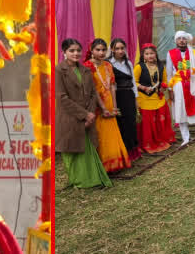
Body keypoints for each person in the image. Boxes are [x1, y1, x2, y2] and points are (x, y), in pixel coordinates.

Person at [57, 38, 111, 188]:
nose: (76, 53)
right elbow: (61, 97)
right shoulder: (58, 70)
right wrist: (84, 114)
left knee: (87, 149)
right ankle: (79, 181)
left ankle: (93, 180)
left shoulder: (85, 70)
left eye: (78, 50)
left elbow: (93, 93)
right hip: (70, 117)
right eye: (71, 50)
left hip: (88, 116)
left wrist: (90, 113)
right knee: (73, 149)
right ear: (64, 52)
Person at [85, 38, 132, 172]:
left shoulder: (107, 65)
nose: (101, 52)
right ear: (91, 51)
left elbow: (112, 86)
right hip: (96, 103)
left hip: (110, 101)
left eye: (103, 50)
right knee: (101, 133)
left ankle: (116, 163)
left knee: (113, 131)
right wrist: (103, 107)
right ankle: (104, 166)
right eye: (98, 50)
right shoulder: (87, 66)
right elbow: (91, 89)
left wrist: (115, 106)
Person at [165, 31, 195, 144]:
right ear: (176, 41)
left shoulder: (194, 53)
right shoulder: (170, 54)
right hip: (178, 86)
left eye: (184, 38)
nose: (181, 40)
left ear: (187, 40)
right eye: (179, 38)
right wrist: (170, 90)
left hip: (193, 84)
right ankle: (186, 137)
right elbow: (169, 73)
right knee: (180, 109)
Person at [133, 43, 174, 154]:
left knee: (159, 120)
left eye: (152, 53)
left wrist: (163, 87)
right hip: (144, 99)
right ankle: (148, 143)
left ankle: (161, 139)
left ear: (155, 54)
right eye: (147, 54)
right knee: (147, 123)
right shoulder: (139, 67)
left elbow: (165, 81)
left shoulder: (161, 66)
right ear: (143, 55)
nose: (150, 56)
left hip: (157, 98)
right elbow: (134, 82)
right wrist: (143, 87)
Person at [108, 38, 139, 157]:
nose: (120, 51)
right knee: (121, 124)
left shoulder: (128, 63)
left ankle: (133, 151)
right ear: (112, 50)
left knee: (131, 123)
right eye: (117, 48)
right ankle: (123, 153)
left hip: (129, 96)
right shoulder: (109, 64)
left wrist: (136, 99)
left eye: (122, 48)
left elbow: (133, 83)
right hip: (117, 97)